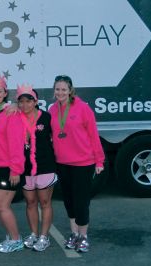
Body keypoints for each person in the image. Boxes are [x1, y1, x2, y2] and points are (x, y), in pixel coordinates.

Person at [48, 75, 105, 252]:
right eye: (57, 89)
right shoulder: (52, 110)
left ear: (70, 90)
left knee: (81, 202)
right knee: (69, 201)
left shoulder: (82, 109)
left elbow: (93, 136)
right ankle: (74, 234)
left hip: (83, 163)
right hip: (62, 162)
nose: (60, 92)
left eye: (64, 89)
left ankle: (83, 236)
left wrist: (99, 160)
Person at [0, 75, 25, 253]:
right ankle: (11, 235)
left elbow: (17, 143)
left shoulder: (11, 112)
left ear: (5, 93)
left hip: (9, 168)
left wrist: (16, 170)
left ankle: (16, 240)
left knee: (2, 206)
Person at [17, 87, 57, 252]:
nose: (25, 105)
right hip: (25, 168)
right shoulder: (15, 118)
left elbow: (57, 138)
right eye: (21, 101)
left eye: (29, 101)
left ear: (35, 102)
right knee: (31, 202)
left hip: (45, 166)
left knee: (45, 202)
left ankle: (44, 237)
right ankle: (33, 233)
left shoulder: (46, 117)